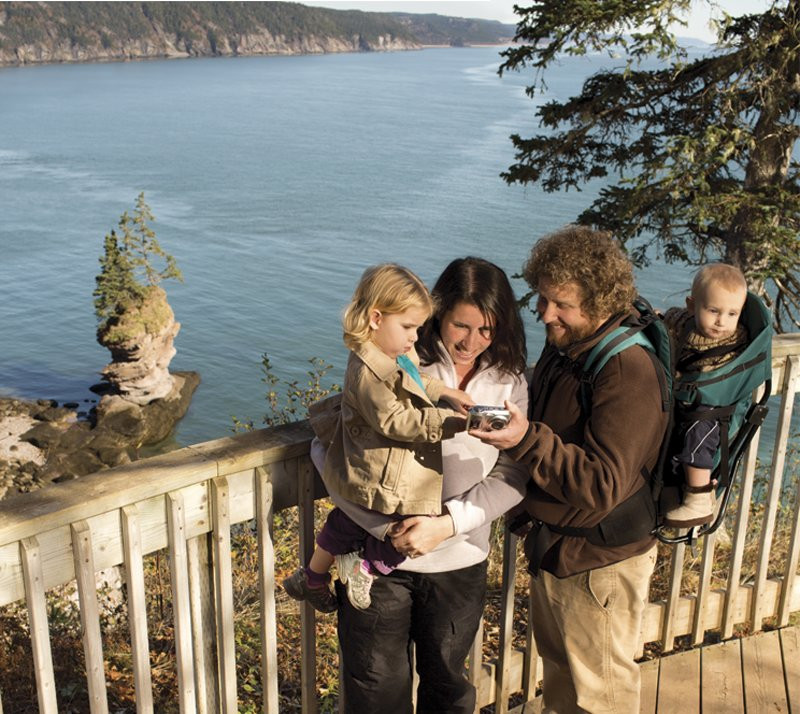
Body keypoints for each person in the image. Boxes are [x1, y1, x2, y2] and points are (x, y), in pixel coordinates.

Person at [317, 256, 529, 713]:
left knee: (448, 690)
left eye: (487, 330)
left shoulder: (510, 382)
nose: (471, 342)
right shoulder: (397, 363)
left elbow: (514, 473)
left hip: (461, 559)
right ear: (439, 314)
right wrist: (384, 531)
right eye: (461, 326)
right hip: (374, 564)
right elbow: (343, 460)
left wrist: (447, 525)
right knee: (375, 694)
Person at [472, 227, 669, 714]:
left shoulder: (626, 370)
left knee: (600, 697)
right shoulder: (571, 347)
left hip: (599, 563)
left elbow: (603, 484)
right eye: (542, 297)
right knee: (564, 684)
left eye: (560, 302)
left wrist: (524, 439)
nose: (544, 312)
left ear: (600, 301)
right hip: (562, 550)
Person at [283, 263, 473, 613]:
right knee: (402, 529)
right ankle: (366, 567)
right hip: (379, 469)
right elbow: (396, 421)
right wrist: (453, 424)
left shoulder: (395, 352)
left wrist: (446, 390)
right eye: (408, 326)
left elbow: (414, 380)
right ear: (375, 318)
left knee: (348, 521)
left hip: (386, 466)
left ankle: (312, 576)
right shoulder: (367, 371)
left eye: (417, 327)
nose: (415, 336)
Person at [662, 263, 749, 527]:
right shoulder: (684, 322)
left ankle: (698, 498)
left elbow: (716, 379)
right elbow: (668, 319)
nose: (722, 321)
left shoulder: (731, 344)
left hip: (711, 410)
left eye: (732, 313)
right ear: (692, 306)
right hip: (684, 403)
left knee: (698, 435)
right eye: (713, 311)